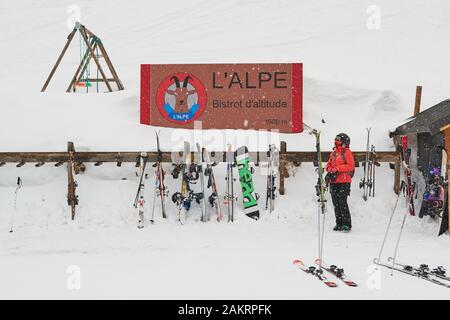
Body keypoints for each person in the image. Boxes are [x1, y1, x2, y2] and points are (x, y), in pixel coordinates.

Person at [325, 133, 355, 232]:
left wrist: (337, 169)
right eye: (335, 139)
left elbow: (350, 166)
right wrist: (330, 171)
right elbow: (327, 166)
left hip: (344, 181)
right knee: (335, 202)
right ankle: (339, 223)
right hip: (334, 181)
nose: (336, 141)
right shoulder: (333, 153)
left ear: (344, 142)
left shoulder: (347, 152)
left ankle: (347, 224)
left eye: (338, 139)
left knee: (342, 202)